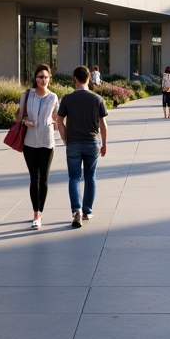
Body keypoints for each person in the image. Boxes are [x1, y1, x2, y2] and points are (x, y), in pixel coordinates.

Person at [54, 65, 108, 229]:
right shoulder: (97, 99)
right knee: (90, 177)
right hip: (92, 142)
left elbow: (59, 121)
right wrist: (104, 144)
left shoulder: (67, 99)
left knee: (74, 177)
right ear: (89, 78)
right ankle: (87, 210)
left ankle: (76, 209)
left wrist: (65, 138)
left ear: (74, 79)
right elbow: (103, 125)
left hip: (74, 143)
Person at [17, 64, 59, 229]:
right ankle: (36, 213)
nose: (43, 80)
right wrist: (26, 121)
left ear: (50, 79)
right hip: (29, 142)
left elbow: (57, 117)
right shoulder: (27, 94)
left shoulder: (53, 97)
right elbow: (19, 117)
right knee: (34, 178)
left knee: (44, 179)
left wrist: (53, 122)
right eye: (40, 77)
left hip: (47, 142)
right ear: (35, 78)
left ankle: (40, 211)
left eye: (46, 77)